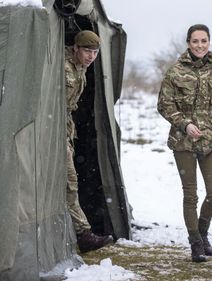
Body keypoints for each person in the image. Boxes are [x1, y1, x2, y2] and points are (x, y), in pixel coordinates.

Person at [157, 24, 212, 263]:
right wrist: (184, 124)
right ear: (188, 42)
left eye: (204, 41)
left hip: (209, 139)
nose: (200, 45)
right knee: (190, 195)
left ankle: (203, 232)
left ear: (209, 42)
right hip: (183, 141)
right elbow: (164, 105)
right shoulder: (175, 71)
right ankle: (195, 243)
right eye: (195, 41)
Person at [65, 30, 113, 253]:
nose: (91, 56)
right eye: (87, 50)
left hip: (65, 131)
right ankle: (83, 233)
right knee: (69, 181)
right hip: (52, 132)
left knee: (69, 181)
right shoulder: (63, 66)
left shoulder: (81, 69)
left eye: (94, 52)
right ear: (75, 48)